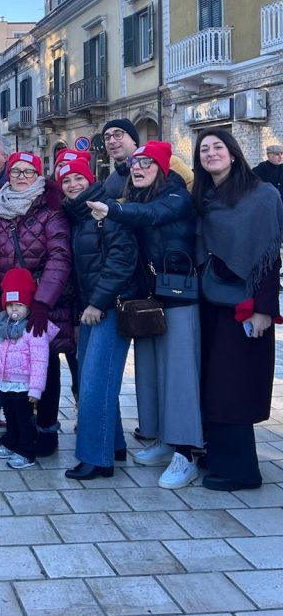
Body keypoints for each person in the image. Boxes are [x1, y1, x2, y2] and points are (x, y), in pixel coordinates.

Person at [87, 141, 203, 489]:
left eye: (147, 163)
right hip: (150, 298)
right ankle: (164, 440)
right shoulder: (135, 198)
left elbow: (152, 217)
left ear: (163, 168)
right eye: (136, 163)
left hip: (180, 298)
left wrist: (112, 211)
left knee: (179, 377)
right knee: (152, 373)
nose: (138, 168)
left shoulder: (176, 196)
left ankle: (187, 453)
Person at [192, 128, 283, 492]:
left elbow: (268, 255)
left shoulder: (261, 195)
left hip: (245, 306)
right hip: (211, 302)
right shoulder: (205, 196)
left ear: (233, 153)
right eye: (204, 150)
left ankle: (242, 471)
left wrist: (264, 309)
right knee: (213, 383)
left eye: (218, 147)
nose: (211, 153)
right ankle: (219, 455)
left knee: (234, 387)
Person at [0, 151, 74, 455]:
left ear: (38, 175)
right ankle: (19, 429)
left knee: (45, 367)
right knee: (10, 368)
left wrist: (43, 301)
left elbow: (60, 257)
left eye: (27, 171)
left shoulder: (51, 210)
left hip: (45, 300)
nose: (20, 176)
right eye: (15, 171)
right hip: (9, 306)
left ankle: (46, 430)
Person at [58, 156, 139, 480]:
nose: (73, 185)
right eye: (66, 181)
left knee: (93, 384)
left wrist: (96, 303)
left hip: (110, 306)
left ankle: (96, 458)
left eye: (78, 178)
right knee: (99, 381)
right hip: (92, 310)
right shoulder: (77, 216)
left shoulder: (106, 210)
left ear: (90, 179)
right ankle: (114, 445)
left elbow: (122, 260)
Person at [0, 268, 55, 470]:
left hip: (23, 384)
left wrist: (36, 389)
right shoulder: (3, 325)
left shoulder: (34, 328)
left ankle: (26, 451)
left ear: (28, 306)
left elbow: (41, 362)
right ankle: (11, 440)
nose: (14, 310)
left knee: (23, 418)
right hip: (5, 381)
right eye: (10, 305)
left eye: (19, 305)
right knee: (10, 414)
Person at [102, 118, 193, 197]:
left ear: (134, 140)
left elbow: (193, 193)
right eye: (107, 138)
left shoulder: (170, 162)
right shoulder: (110, 183)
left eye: (118, 135)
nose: (111, 141)